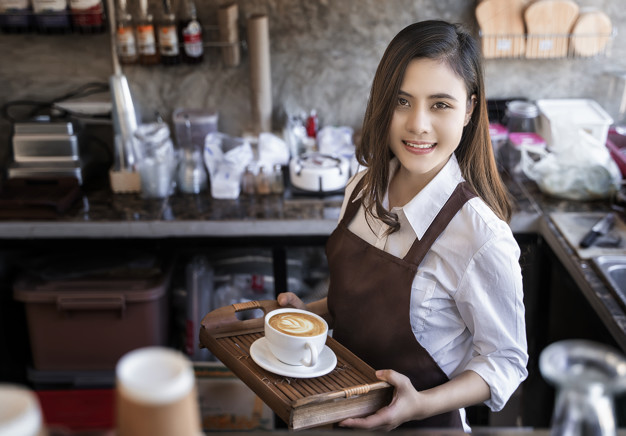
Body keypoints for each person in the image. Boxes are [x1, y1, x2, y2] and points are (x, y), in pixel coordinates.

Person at [277, 20, 528, 431]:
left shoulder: (480, 236)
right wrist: (310, 316)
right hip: (336, 416)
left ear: (469, 108)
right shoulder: (362, 187)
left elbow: (506, 360)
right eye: (402, 101)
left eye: (440, 104)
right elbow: (357, 307)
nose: (418, 125)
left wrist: (418, 406)